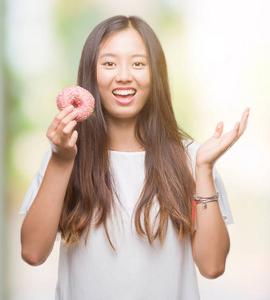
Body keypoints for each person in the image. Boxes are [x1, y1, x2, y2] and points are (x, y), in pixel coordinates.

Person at [19, 15, 250, 299]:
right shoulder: (65, 155)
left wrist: (203, 169)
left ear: (156, 75)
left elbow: (212, 265)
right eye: (109, 63)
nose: (124, 75)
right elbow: (32, 252)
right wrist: (62, 160)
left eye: (138, 63)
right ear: (91, 75)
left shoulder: (192, 158)